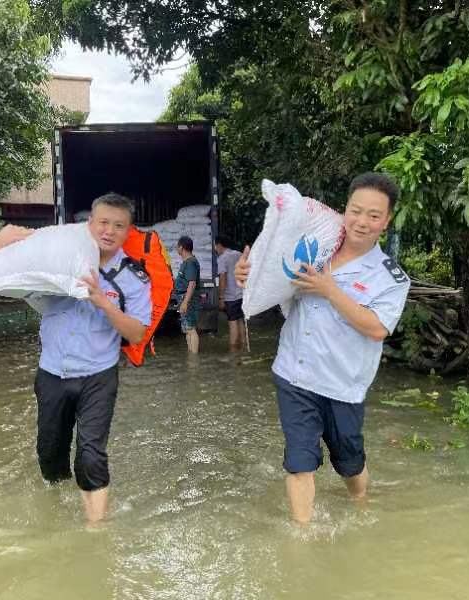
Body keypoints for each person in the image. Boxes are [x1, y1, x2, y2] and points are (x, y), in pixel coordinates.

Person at [234, 172, 410, 524]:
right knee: (300, 461)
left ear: (386, 221)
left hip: (342, 384)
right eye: (355, 211)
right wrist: (247, 276)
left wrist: (330, 290)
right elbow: (274, 278)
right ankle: (302, 537)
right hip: (293, 373)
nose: (361, 222)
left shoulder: (390, 277)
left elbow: (377, 329)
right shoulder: (315, 242)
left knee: (349, 461)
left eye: (373, 216)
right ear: (346, 209)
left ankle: (360, 503)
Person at [0, 193, 151, 523]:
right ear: (89, 224)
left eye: (118, 225)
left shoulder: (133, 279)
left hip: (98, 376)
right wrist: (13, 240)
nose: (109, 231)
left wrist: (104, 303)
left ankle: (96, 532)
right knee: (49, 451)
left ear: (128, 231)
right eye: (103, 222)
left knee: (91, 455)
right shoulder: (57, 258)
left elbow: (136, 333)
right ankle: (54, 512)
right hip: (52, 372)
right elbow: (4, 260)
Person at [214, 235, 247, 350]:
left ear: (219, 245)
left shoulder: (222, 258)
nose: (215, 248)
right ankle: (243, 346)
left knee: (232, 322)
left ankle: (233, 351)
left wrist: (221, 297)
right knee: (240, 320)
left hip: (230, 296)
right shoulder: (238, 254)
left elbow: (223, 278)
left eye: (215, 245)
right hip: (242, 294)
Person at [174, 235, 200, 353]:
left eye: (177, 246)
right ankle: (191, 355)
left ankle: (194, 358)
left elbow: (192, 283)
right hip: (184, 297)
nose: (176, 249)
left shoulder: (190, 262)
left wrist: (185, 302)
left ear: (182, 247)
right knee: (187, 329)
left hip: (188, 298)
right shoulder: (187, 262)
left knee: (190, 328)